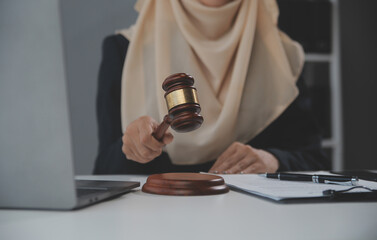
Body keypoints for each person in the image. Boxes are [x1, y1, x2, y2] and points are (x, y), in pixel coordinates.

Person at [93, 0, 330, 175]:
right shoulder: (124, 51)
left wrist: (272, 161)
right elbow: (103, 171)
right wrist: (130, 149)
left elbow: (316, 160)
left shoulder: (279, 58)